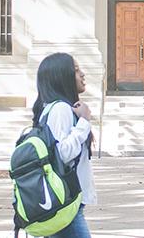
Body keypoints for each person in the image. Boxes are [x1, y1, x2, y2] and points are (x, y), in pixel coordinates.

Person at [32, 52, 97, 238]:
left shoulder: (56, 108)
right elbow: (62, 153)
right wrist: (84, 121)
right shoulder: (60, 109)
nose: (83, 74)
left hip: (67, 201)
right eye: (76, 71)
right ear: (62, 77)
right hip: (66, 202)